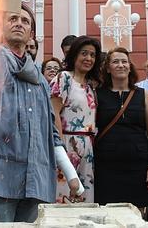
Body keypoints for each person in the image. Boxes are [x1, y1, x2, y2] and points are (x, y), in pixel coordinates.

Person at [0, 4, 82, 222]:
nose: (19, 23)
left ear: (31, 35)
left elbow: (52, 134)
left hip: (36, 182)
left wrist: (71, 175)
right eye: (13, 19)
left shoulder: (41, 81)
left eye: (25, 21)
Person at [94, 47, 148, 217]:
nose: (121, 65)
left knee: (136, 217)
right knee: (108, 217)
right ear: (107, 68)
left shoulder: (143, 95)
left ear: (130, 67)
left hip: (138, 167)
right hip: (106, 167)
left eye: (124, 61)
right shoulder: (97, 95)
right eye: (115, 62)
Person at [50, 36, 101, 203]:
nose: (88, 58)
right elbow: (54, 113)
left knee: (84, 198)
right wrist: (61, 147)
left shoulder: (91, 85)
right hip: (66, 143)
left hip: (88, 149)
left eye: (92, 55)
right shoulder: (63, 78)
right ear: (74, 55)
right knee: (63, 196)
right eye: (84, 53)